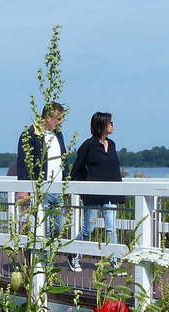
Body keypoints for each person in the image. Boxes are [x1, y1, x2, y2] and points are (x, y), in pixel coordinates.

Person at [15, 102, 71, 264]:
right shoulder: (30, 134)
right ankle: (39, 263)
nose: (60, 121)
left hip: (58, 187)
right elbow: (23, 161)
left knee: (58, 227)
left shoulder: (58, 134)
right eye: (58, 118)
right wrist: (23, 188)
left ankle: (46, 258)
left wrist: (68, 181)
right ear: (48, 117)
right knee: (40, 227)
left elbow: (64, 158)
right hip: (40, 189)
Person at [71, 112, 122, 256]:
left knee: (111, 228)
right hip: (93, 194)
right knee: (89, 229)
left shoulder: (112, 145)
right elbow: (78, 167)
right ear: (102, 125)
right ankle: (73, 252)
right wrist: (76, 188)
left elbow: (113, 169)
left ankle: (114, 262)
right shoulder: (89, 145)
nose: (113, 126)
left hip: (110, 194)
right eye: (110, 123)